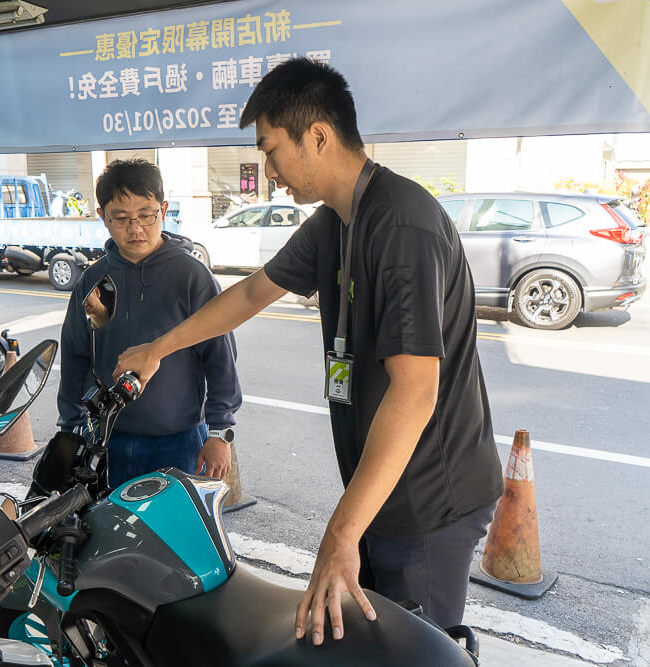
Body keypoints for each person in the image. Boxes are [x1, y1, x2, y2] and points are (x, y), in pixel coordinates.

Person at [114, 59, 503, 644]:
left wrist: (340, 535)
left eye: (271, 151)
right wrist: (158, 349)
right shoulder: (335, 223)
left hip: (429, 502)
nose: (269, 172)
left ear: (317, 136)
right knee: (375, 644)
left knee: (419, 650)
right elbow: (250, 292)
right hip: (382, 493)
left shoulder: (402, 226)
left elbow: (417, 392)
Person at [58, 159, 242, 487]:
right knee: (110, 533)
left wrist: (220, 432)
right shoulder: (92, 280)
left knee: (177, 536)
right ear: (103, 217)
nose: (136, 229)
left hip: (181, 441)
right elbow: (75, 357)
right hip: (106, 441)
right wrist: (69, 430)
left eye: (146, 215)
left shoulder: (192, 277)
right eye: (122, 218)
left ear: (164, 209)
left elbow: (220, 359)